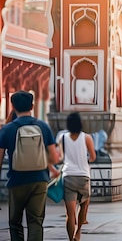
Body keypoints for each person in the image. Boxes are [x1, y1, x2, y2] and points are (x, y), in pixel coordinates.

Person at [0, 91, 60, 240]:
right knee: (35, 222)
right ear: (32, 106)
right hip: (39, 180)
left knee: (15, 223)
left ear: (13, 107)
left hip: (16, 181)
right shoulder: (43, 127)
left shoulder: (7, 129)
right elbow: (54, 157)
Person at [55, 112, 96, 241]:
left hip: (68, 176)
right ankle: (78, 232)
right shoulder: (87, 138)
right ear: (80, 123)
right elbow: (93, 157)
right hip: (83, 176)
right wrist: (84, 160)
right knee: (84, 204)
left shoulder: (63, 138)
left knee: (69, 213)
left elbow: (61, 158)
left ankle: (70, 238)